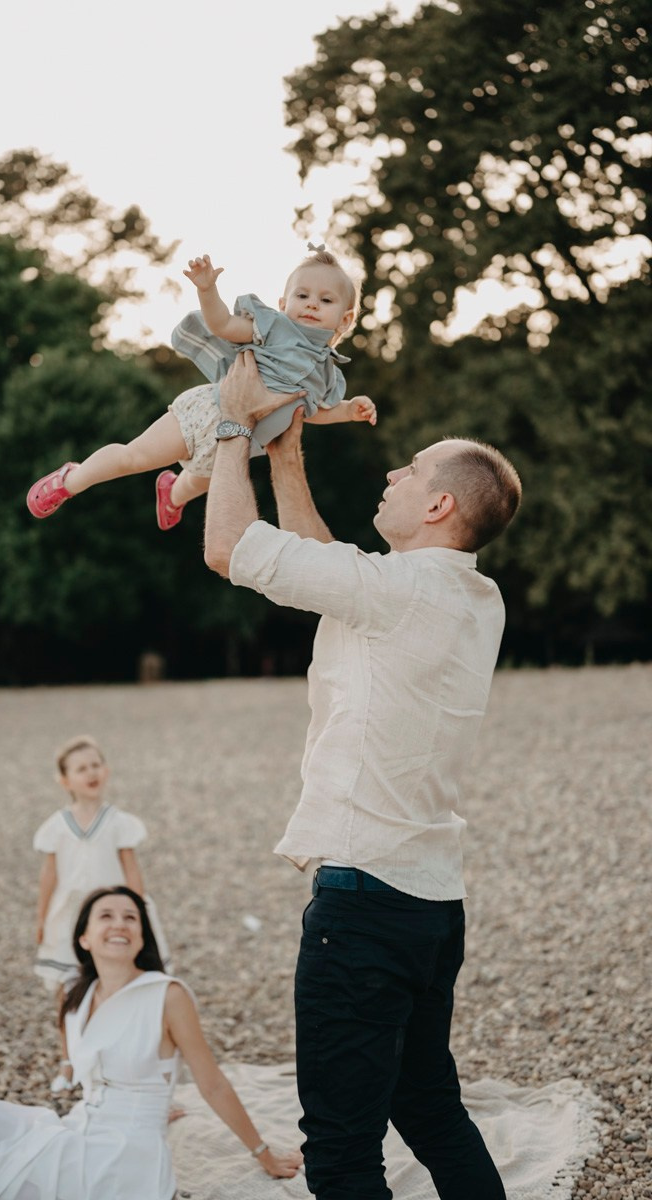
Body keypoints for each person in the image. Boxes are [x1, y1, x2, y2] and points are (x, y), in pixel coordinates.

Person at [202, 352, 522, 1199]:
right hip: (430, 904)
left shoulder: (397, 593)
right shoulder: (465, 597)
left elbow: (229, 547)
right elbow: (327, 574)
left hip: (365, 909)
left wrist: (233, 421)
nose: (392, 470)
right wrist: (285, 455)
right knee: (430, 1107)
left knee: (341, 1152)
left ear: (439, 504)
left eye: (410, 470)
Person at [0, 887, 302, 1199]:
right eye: (105, 916)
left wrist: (263, 1154)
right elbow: (97, 1075)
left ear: (141, 936)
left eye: (131, 917)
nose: (120, 923)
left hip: (124, 1154)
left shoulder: (167, 994)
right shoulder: (75, 997)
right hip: (75, 1125)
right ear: (85, 937)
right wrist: (155, 1096)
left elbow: (212, 1083)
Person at [26, 247, 376, 528]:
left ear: (345, 319)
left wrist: (349, 411)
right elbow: (222, 324)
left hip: (239, 444)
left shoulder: (328, 373)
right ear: (284, 304)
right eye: (303, 295)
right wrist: (208, 291)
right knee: (136, 457)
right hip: (208, 414)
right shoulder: (273, 329)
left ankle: (171, 495)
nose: (313, 303)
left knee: (195, 482)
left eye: (326, 300)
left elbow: (311, 413)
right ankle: (71, 480)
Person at [34, 734, 170, 1093]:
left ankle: (132, 1059)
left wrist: (137, 911)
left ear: (105, 770)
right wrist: (41, 918)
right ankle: (67, 1061)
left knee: (129, 981)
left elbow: (131, 868)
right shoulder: (56, 825)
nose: (91, 773)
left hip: (113, 914)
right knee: (68, 987)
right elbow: (49, 875)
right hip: (69, 917)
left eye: (95, 765)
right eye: (81, 768)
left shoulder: (118, 821)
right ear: (65, 781)